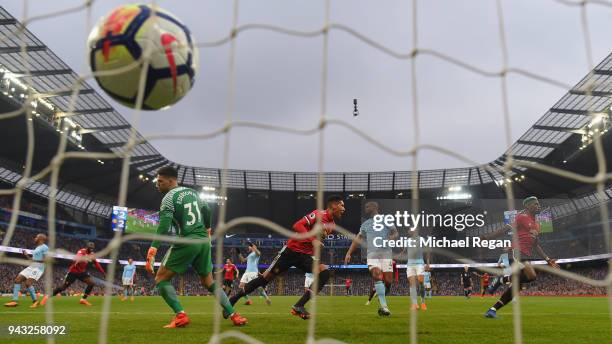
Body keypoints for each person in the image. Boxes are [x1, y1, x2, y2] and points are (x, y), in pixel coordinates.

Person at [144, 166, 247, 328]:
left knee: (161, 279)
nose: (157, 184)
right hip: (204, 242)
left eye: (160, 181)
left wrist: (153, 250)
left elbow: (163, 226)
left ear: (171, 181)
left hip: (187, 240)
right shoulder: (193, 193)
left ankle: (180, 315)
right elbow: (206, 210)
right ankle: (234, 315)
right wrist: (207, 229)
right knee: (209, 282)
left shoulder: (169, 198)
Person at [229, 195, 345, 320]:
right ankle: (233, 299)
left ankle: (299, 306)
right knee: (264, 279)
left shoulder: (331, 225)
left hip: (304, 256)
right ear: (333, 206)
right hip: (290, 251)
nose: (344, 209)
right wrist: (312, 240)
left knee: (324, 272)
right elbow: (297, 225)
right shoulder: (318, 214)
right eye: (342, 205)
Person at [482, 196, 560, 318]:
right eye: (535, 204)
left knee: (516, 287)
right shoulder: (521, 217)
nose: (538, 206)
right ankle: (501, 279)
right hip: (518, 252)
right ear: (528, 206)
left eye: (538, 204)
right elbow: (505, 229)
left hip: (526, 255)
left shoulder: (537, 225)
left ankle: (492, 310)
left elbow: (536, 244)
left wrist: (547, 259)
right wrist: (488, 237)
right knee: (532, 275)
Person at [345, 201, 398, 315]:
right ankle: (384, 307)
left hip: (386, 253)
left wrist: (391, 238)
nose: (366, 208)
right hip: (372, 253)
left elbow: (395, 233)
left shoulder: (385, 219)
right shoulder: (365, 224)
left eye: (368, 206)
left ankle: (381, 296)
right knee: (377, 275)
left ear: (375, 207)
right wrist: (349, 252)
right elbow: (357, 239)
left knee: (388, 281)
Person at [40, 241, 105, 307]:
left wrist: (102, 272)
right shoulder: (81, 251)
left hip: (82, 272)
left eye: (92, 248)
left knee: (91, 283)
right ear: (87, 247)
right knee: (63, 287)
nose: (91, 249)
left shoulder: (92, 255)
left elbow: (96, 264)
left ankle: (83, 299)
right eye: (90, 248)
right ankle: (47, 297)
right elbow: (78, 256)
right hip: (73, 272)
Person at [4, 233, 48, 308]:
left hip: (38, 268)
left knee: (28, 283)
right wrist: (26, 255)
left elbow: (45, 260)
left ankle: (35, 301)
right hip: (31, 267)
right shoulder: (37, 248)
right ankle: (14, 301)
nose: (35, 238)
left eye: (36, 237)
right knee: (17, 280)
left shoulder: (45, 247)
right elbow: (32, 260)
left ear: (41, 239)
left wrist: (35, 260)